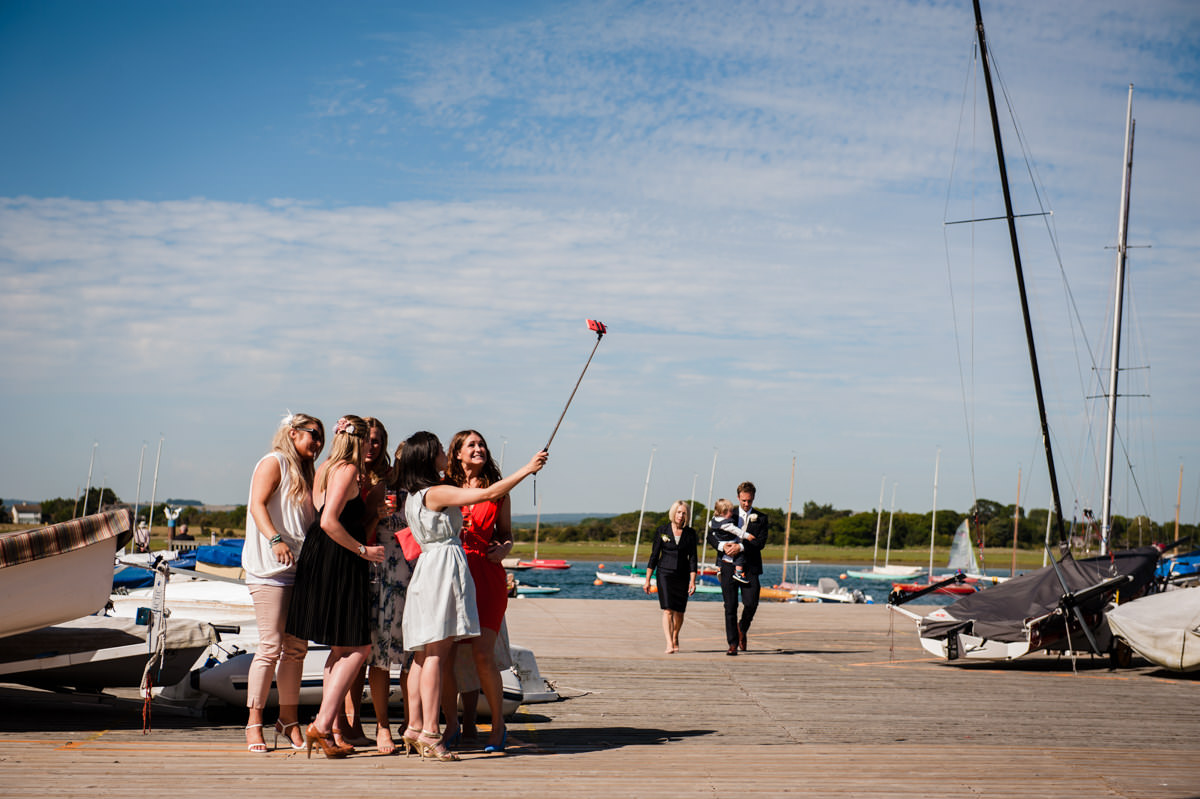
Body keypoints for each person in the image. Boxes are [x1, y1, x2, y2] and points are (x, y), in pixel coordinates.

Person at [396, 431, 547, 761]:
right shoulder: (437, 491)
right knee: (436, 654)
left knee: (422, 655)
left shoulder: (415, 494)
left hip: (431, 570)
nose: (441, 454)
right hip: (444, 569)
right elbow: (490, 492)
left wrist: (504, 546)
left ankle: (415, 727)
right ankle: (433, 733)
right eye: (438, 450)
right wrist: (528, 469)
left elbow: (495, 503)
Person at [284, 415, 386, 759]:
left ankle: (327, 730)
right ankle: (323, 723)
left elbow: (319, 516)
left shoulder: (324, 466)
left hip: (321, 556)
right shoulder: (345, 470)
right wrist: (364, 550)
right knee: (359, 648)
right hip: (340, 559)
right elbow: (328, 520)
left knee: (341, 648)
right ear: (357, 441)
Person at [241, 412, 324, 753]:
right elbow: (257, 504)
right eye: (312, 435)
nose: (317, 443)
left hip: (301, 569)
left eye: (321, 437)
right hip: (269, 569)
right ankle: (254, 722)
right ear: (293, 433)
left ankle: (288, 720)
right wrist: (275, 539)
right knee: (270, 646)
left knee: (296, 649)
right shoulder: (273, 462)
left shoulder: (308, 472)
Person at [444, 429, 516, 752]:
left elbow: (506, 534)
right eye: (471, 444)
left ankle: (498, 725)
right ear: (457, 453)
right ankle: (450, 725)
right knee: (444, 657)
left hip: (486, 576)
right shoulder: (444, 488)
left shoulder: (498, 492)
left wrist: (503, 550)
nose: (479, 448)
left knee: (482, 655)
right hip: (452, 575)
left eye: (482, 444)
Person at [337, 417, 405, 753]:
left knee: (368, 648)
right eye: (368, 439)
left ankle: (358, 721)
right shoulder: (345, 470)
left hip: (382, 569)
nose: (372, 446)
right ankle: (348, 721)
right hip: (352, 563)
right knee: (354, 647)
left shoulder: (389, 478)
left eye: (378, 440)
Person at [707, 481, 768, 656]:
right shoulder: (727, 512)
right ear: (738, 497)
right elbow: (710, 535)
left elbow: (759, 542)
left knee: (751, 602)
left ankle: (743, 628)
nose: (746, 504)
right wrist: (722, 547)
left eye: (749, 501)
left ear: (753, 498)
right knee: (730, 605)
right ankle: (732, 643)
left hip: (750, 566)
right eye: (743, 500)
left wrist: (740, 548)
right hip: (726, 564)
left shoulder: (762, 518)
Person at [642, 500, 698, 653]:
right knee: (667, 609)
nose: (681, 515)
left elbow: (693, 558)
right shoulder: (662, 530)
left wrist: (693, 580)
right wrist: (647, 580)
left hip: (682, 574)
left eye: (684, 513)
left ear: (687, 515)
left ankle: (675, 636)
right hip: (664, 573)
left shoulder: (691, 533)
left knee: (679, 611)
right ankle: (668, 643)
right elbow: (654, 556)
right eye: (679, 512)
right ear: (673, 513)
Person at [707, 498, 751, 584]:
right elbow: (736, 531)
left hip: (720, 542)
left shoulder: (714, 520)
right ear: (723, 512)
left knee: (720, 554)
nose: (732, 513)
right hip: (730, 542)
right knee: (739, 555)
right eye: (730, 511)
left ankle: (719, 568)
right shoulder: (727, 523)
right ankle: (738, 573)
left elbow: (710, 525)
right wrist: (747, 535)